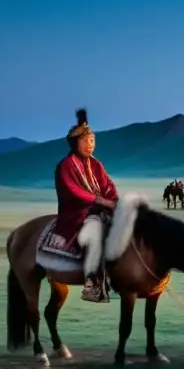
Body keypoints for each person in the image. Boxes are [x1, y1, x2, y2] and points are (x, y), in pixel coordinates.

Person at [53, 108, 119, 302]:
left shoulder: (96, 164)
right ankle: (91, 283)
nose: (91, 145)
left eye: (93, 141)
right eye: (86, 141)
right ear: (75, 143)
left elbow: (107, 185)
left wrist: (114, 200)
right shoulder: (65, 165)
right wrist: (100, 201)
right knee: (94, 232)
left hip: (100, 209)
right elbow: (74, 191)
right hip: (77, 214)